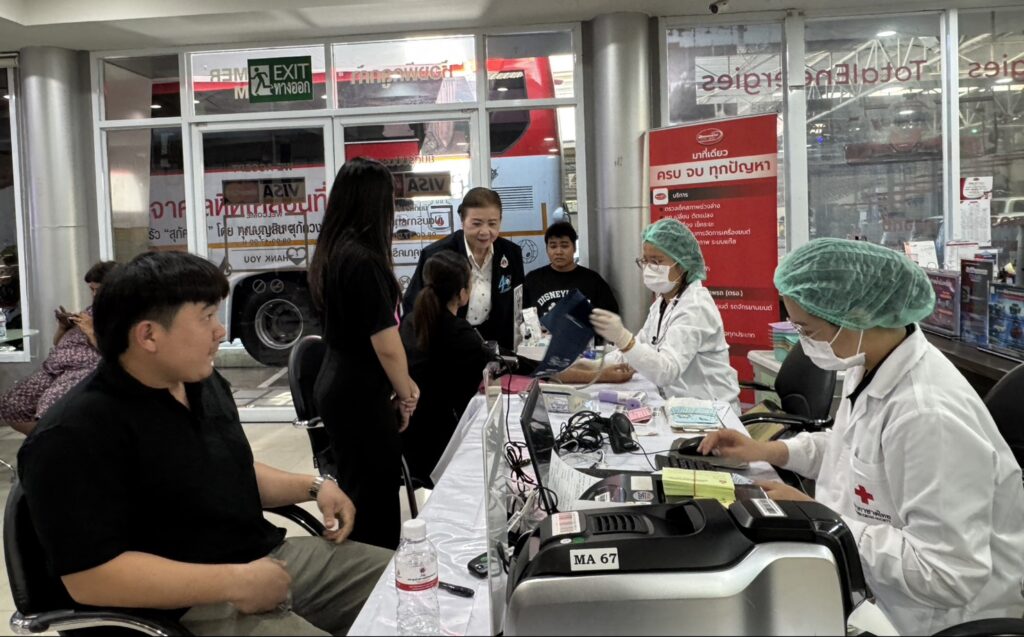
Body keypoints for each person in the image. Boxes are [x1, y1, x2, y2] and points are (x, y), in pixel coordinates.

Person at [17, 251, 391, 636]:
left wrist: (313, 487)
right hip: (180, 604)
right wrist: (233, 582)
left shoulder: (202, 383)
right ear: (148, 335)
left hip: (260, 558)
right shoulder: (73, 434)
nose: (220, 331)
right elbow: (91, 578)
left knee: (409, 581)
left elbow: (228, 469)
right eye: (206, 317)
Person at [698, 238, 1024, 635]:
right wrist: (765, 450)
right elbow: (847, 449)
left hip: (926, 620)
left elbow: (947, 575)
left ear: (858, 314)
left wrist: (822, 518)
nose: (801, 340)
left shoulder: (928, 415)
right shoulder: (869, 361)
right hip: (867, 585)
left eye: (806, 328)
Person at [308, 157, 418, 551]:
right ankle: (375, 575)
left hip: (339, 383)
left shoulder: (333, 251)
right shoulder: (364, 261)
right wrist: (406, 392)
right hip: (358, 394)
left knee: (360, 490)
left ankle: (365, 568)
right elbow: (386, 345)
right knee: (375, 499)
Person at [589, 218, 740, 412]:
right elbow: (639, 347)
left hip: (712, 411)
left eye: (656, 261)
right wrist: (590, 365)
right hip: (678, 405)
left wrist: (623, 338)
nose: (648, 268)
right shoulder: (663, 302)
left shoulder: (695, 307)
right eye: (645, 260)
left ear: (682, 265)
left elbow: (666, 371)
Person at [400, 251, 490, 486]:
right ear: (462, 294)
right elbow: (485, 382)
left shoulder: (409, 322)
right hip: (445, 446)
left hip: (409, 440)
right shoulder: (460, 334)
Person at [0, 260, 116, 435]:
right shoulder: (90, 310)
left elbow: (114, 353)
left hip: (82, 369)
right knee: (12, 403)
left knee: (49, 407)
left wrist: (91, 330)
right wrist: (63, 327)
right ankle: (44, 441)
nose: (93, 295)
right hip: (54, 367)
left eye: (97, 290)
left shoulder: (120, 315)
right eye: (91, 290)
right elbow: (58, 343)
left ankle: (52, 442)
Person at [402, 187, 525, 351]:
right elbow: (413, 306)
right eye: (476, 224)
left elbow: (519, 303)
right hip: (448, 343)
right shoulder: (438, 254)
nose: (485, 232)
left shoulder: (511, 253)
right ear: (462, 220)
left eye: (492, 224)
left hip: (496, 344)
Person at [524, 221, 619, 317]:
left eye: (564, 246)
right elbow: (520, 317)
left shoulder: (593, 281)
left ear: (574, 248)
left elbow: (610, 317)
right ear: (547, 249)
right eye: (553, 246)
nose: (558, 252)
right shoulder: (533, 279)